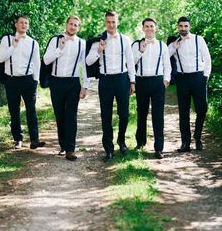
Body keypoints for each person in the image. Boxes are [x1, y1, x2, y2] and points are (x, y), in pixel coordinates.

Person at [86, 11, 135, 161]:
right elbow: (88, 61)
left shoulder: (125, 40)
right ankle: (108, 148)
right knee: (105, 116)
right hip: (105, 81)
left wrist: (132, 81)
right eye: (108, 22)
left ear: (117, 22)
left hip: (122, 79)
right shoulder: (98, 41)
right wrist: (99, 50)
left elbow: (130, 61)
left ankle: (121, 140)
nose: (111, 25)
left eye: (113, 22)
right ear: (105, 23)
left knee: (124, 115)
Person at [43, 15, 89, 161]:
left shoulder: (82, 43)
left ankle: (70, 149)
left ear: (78, 27)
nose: (73, 27)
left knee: (71, 116)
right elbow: (46, 60)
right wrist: (59, 49)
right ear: (66, 24)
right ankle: (63, 145)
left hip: (73, 83)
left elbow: (85, 66)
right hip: (56, 82)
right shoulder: (55, 40)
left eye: (76, 25)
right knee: (59, 115)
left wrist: (85, 86)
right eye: (71, 24)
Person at [0, 15, 45, 150]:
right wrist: (13, 46)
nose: (24, 25)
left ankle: (34, 140)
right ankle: (18, 139)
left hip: (28, 80)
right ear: (16, 25)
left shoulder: (33, 43)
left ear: (28, 26)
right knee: (14, 111)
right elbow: (0, 58)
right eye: (21, 23)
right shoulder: (6, 40)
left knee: (31, 110)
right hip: (11, 80)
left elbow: (37, 63)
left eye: (26, 23)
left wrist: (35, 80)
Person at [168, 16, 211, 152]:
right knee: (183, 112)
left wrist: (205, 77)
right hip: (182, 79)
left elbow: (207, 58)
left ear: (189, 27)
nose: (183, 28)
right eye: (181, 26)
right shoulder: (173, 42)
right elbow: (165, 56)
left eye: (186, 26)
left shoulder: (199, 39)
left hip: (199, 77)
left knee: (202, 109)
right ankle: (185, 143)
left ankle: (197, 137)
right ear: (177, 27)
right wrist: (173, 47)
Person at [132, 18, 171, 159]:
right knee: (141, 113)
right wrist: (140, 51)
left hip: (157, 82)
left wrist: (166, 80)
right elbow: (130, 62)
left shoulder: (163, 45)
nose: (149, 29)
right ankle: (140, 142)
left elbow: (167, 65)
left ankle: (159, 148)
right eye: (146, 26)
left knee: (158, 115)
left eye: (151, 26)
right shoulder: (136, 44)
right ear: (143, 28)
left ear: (156, 28)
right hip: (141, 82)